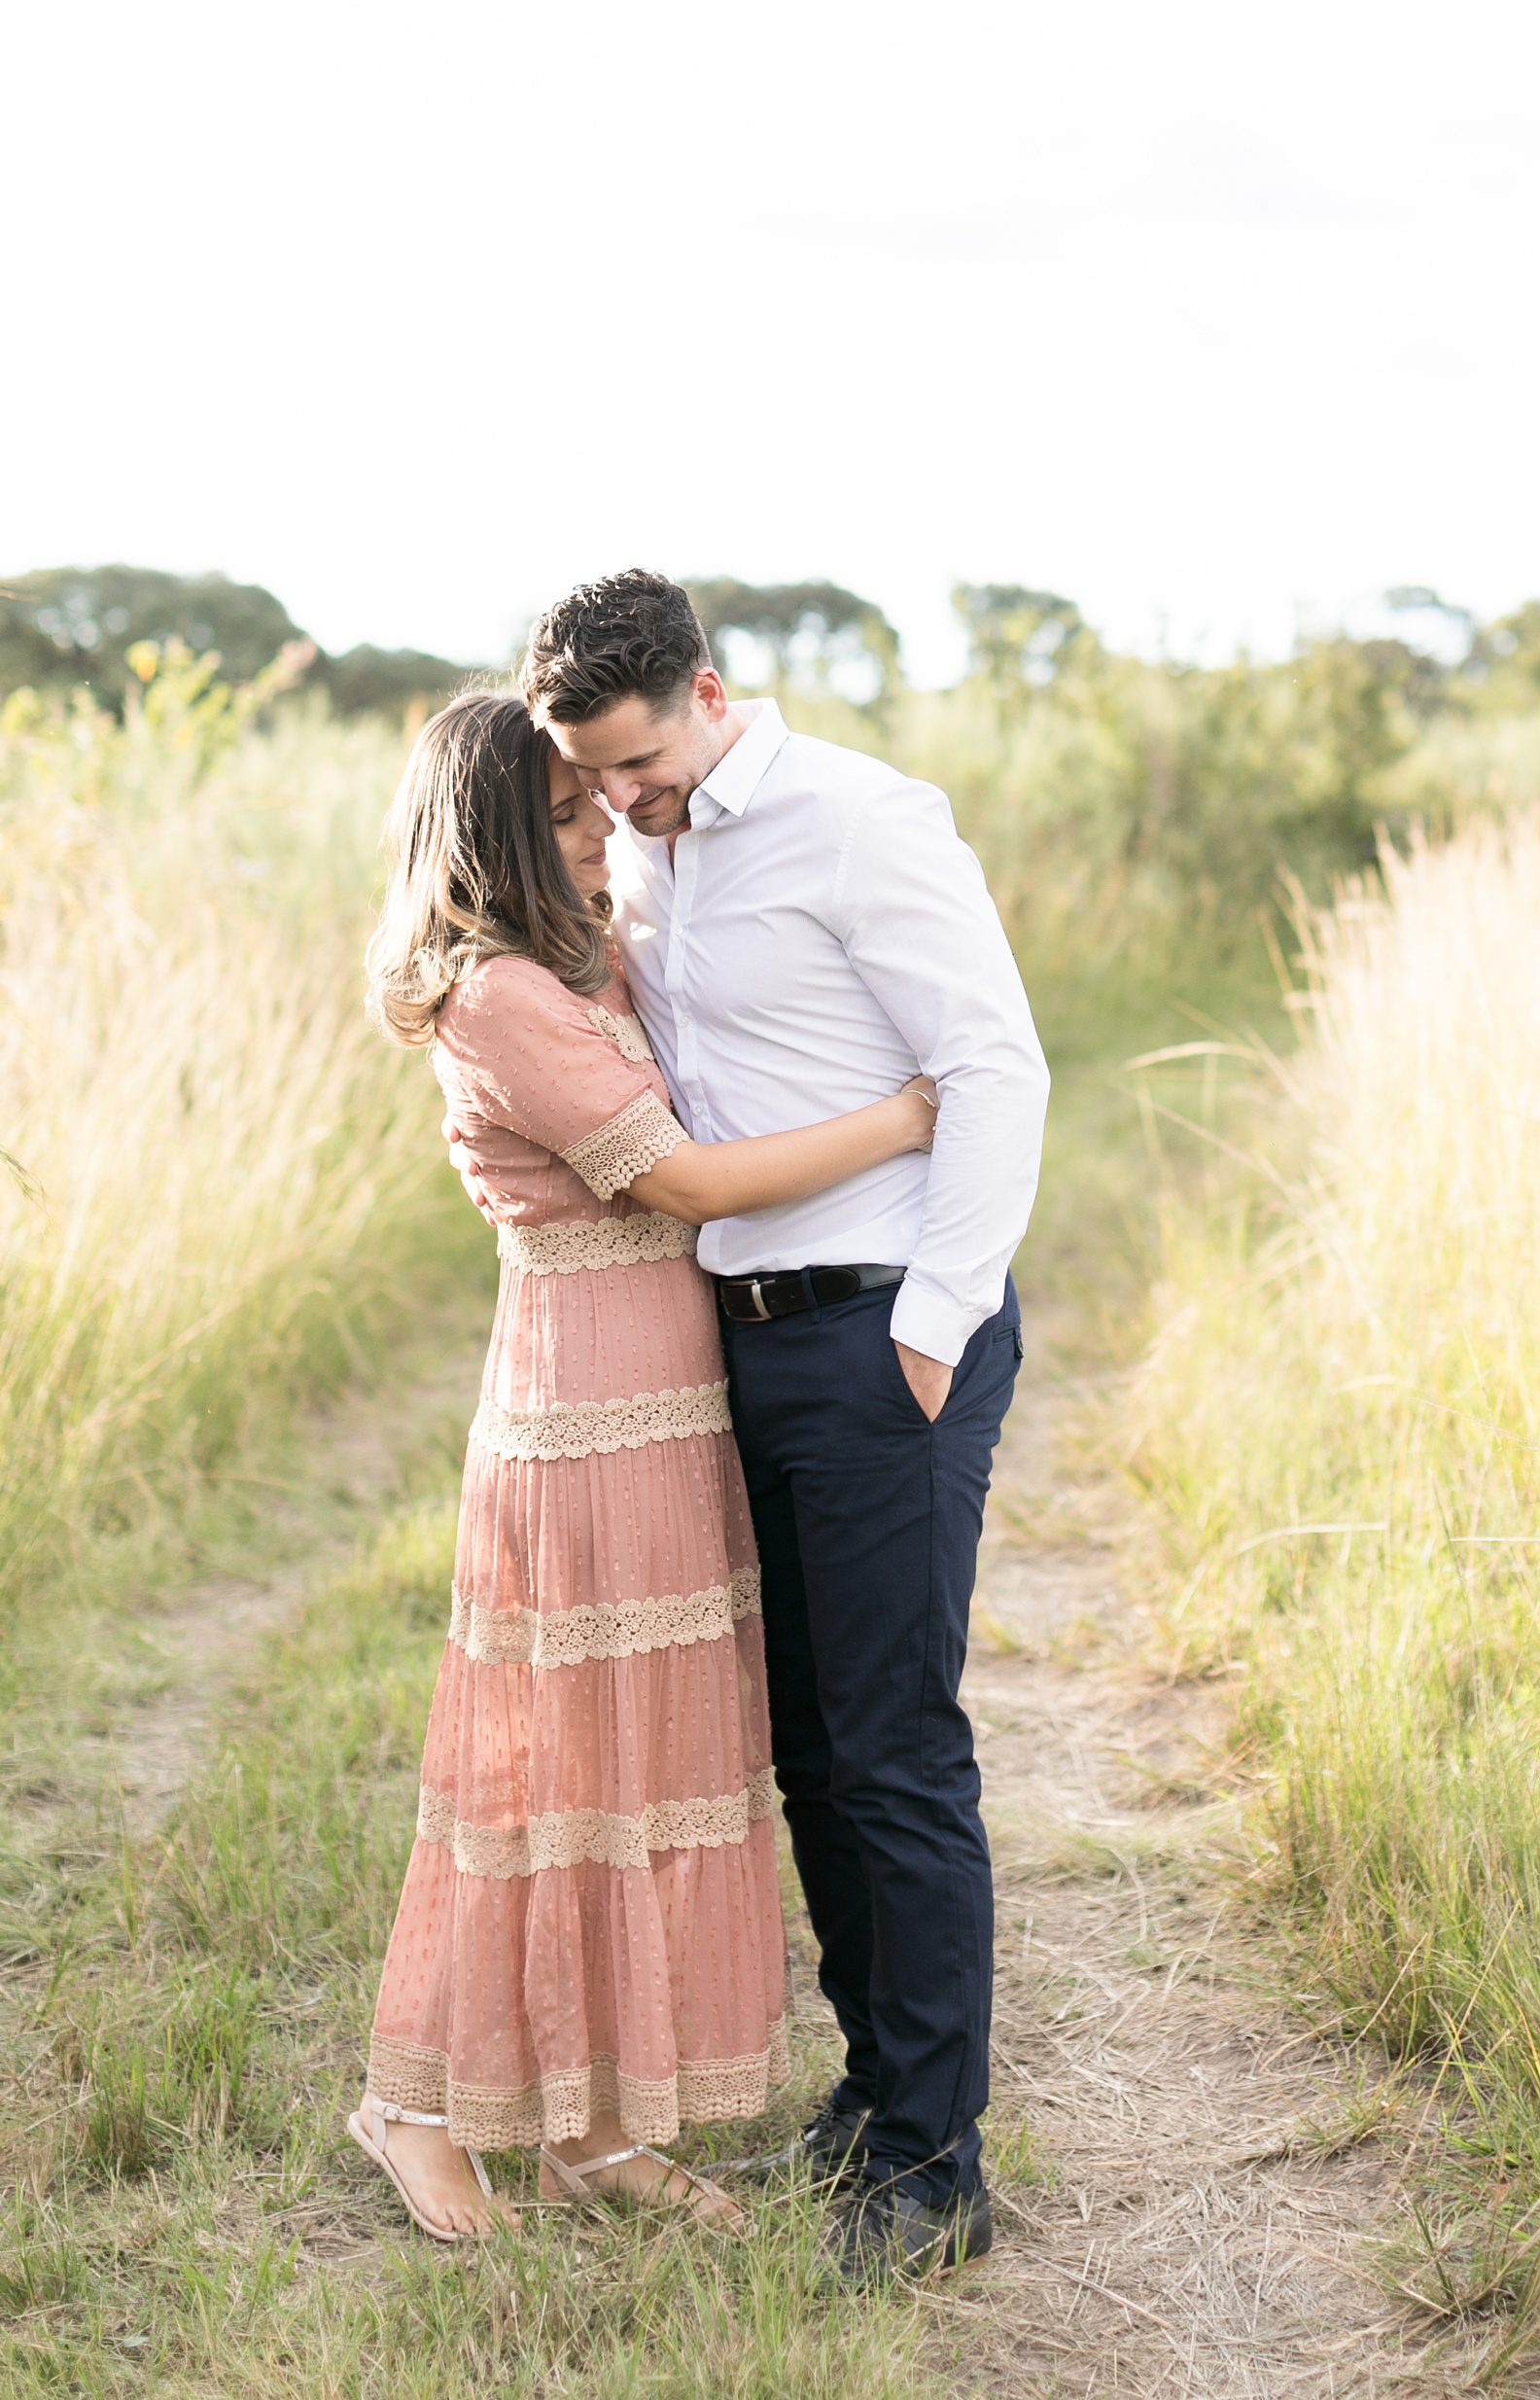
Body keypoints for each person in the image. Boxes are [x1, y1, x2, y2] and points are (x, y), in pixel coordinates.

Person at [347, 690, 940, 2242]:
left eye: (592, 802)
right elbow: (681, 1180)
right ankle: (414, 2107)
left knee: (640, 1773)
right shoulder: (493, 996)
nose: (597, 829)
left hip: (674, 1400)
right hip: (581, 1409)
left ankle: (593, 2132)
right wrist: (901, 1119)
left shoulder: (582, 956)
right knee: (548, 1772)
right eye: (560, 816)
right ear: (489, 841)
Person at [516, 571, 1049, 2280]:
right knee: (808, 1749)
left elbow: (996, 1068)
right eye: (595, 776)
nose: (623, 800)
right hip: (743, 1343)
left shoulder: (862, 821)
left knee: (894, 1750)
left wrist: (935, 1327)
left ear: (710, 692)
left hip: (884, 1335)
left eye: (642, 762)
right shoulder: (644, 853)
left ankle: (937, 2171)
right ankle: (878, 2094)